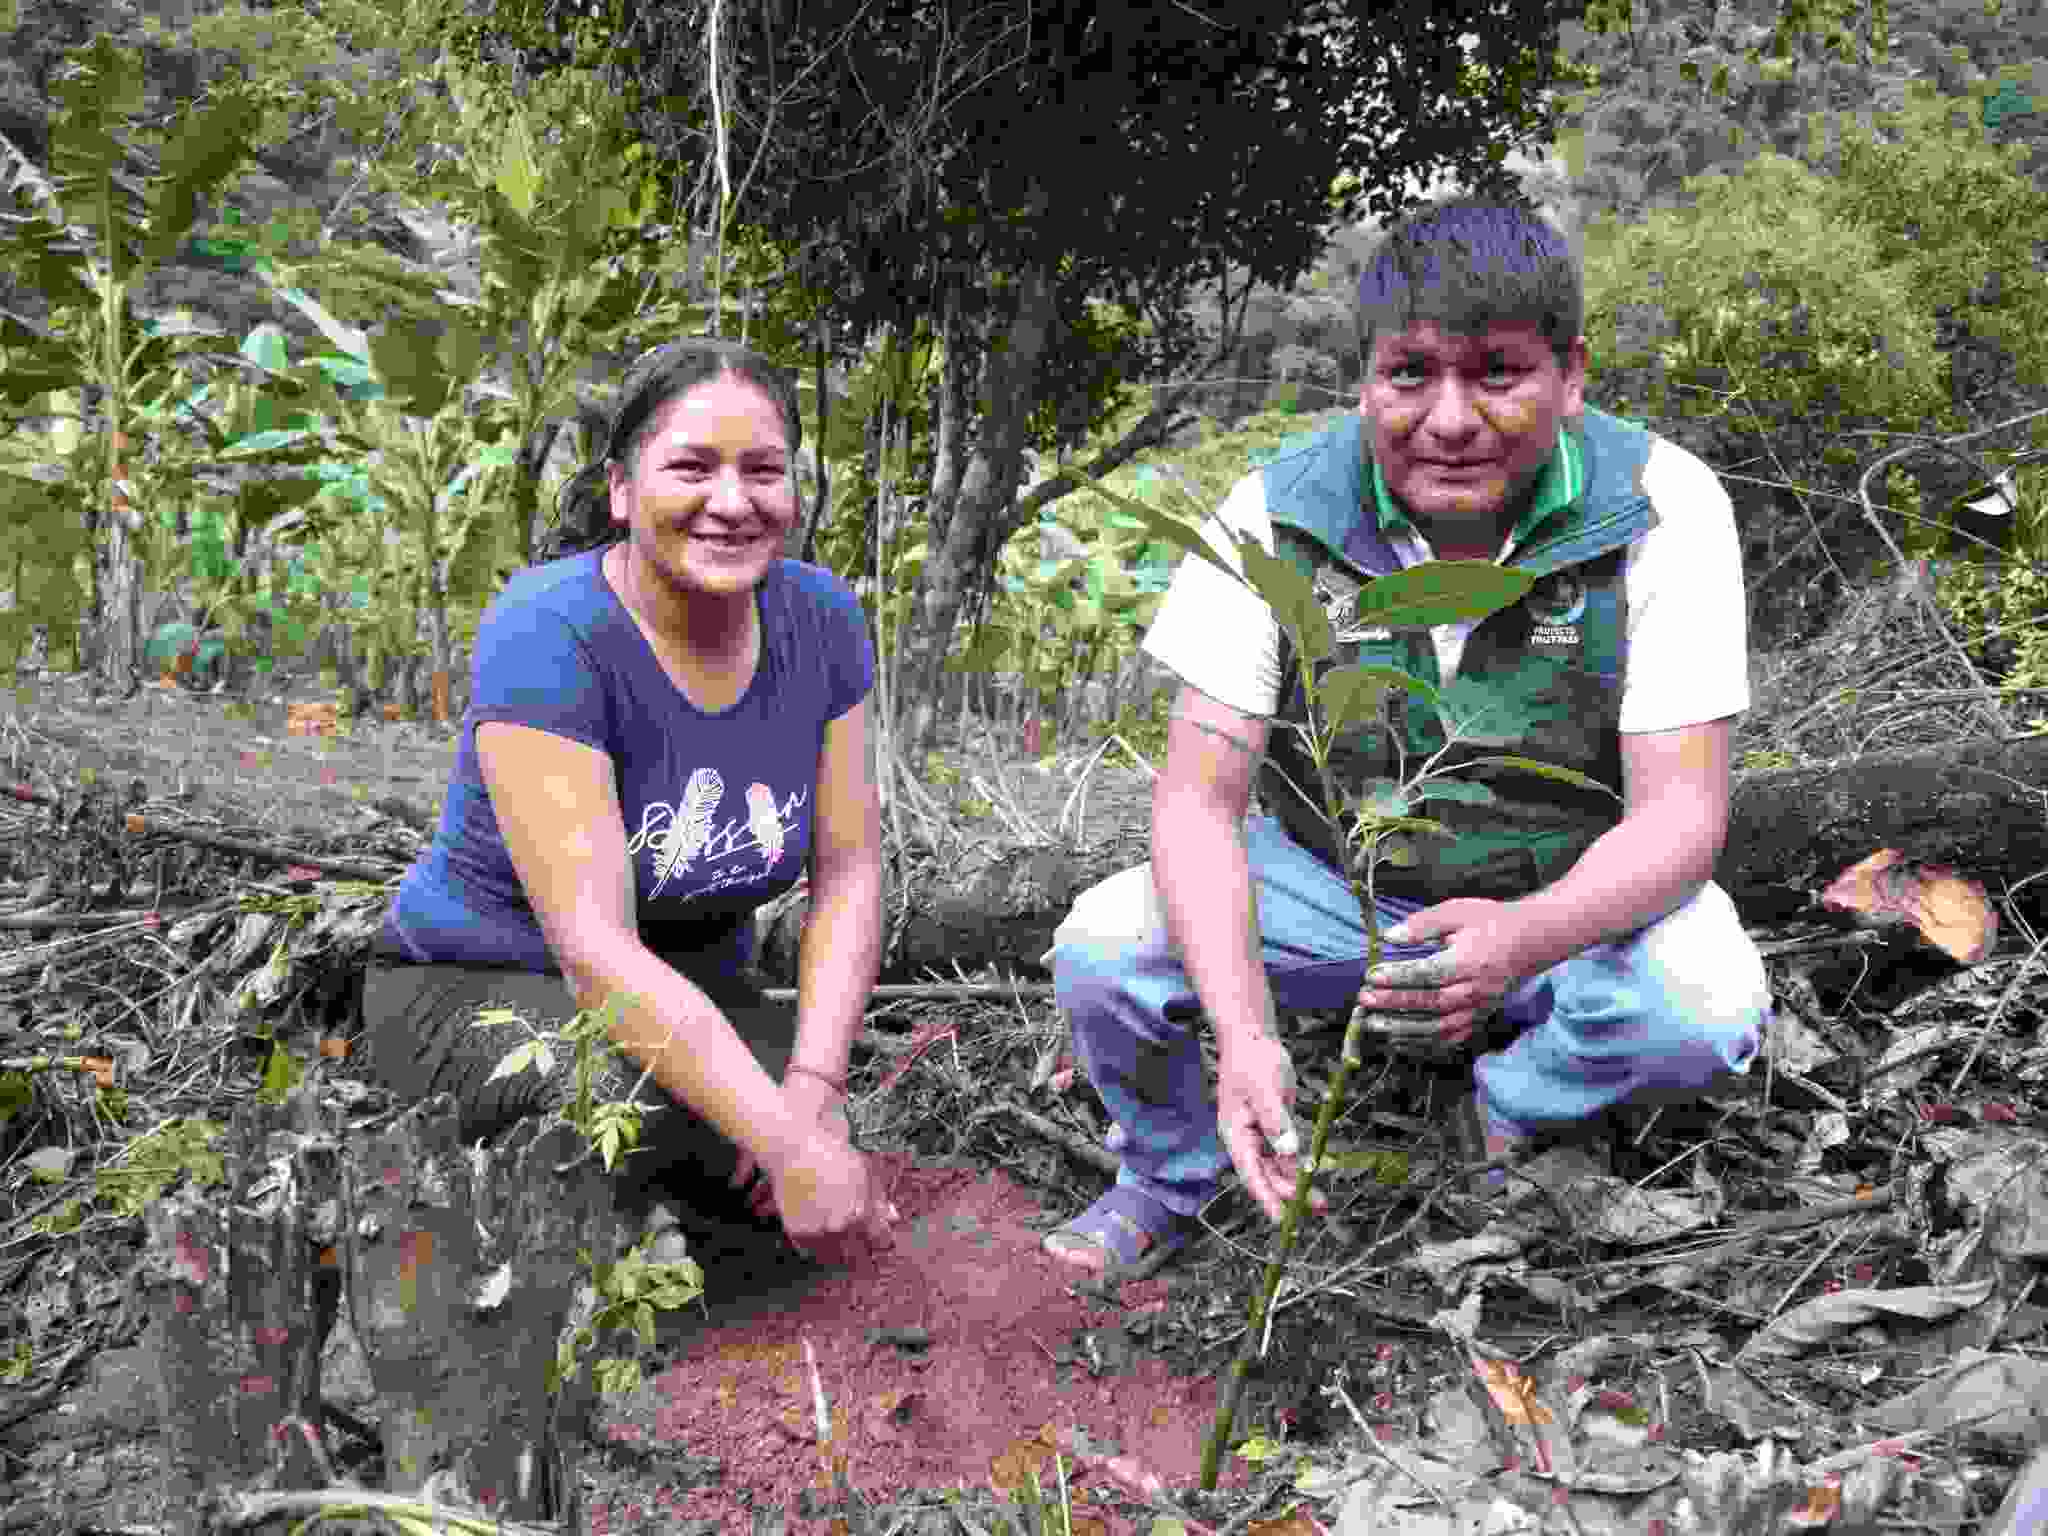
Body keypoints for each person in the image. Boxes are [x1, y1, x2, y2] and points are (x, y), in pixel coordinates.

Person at [1040, 196, 1770, 1275]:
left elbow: (1681, 814)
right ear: (1363, 380)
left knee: (1701, 1006)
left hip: (1554, 895)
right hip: (1328, 885)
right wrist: (1244, 1037)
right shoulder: (1272, 514)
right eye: (1409, 373)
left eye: (1496, 372)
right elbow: (1197, 803)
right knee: (1105, 948)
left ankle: (1509, 1108)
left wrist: (1520, 939)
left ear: (1569, 376)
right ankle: (1168, 1172)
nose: (1448, 418)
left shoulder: (1660, 508)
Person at [357, 336, 895, 1265]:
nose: (733, 502)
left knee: (788, 1099)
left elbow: (848, 870)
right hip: (485, 987)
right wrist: (781, 1139)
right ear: (619, 489)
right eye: (692, 467)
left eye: (764, 471)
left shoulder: (825, 620)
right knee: (638, 1107)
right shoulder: (549, 631)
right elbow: (595, 953)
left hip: (698, 990)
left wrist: (814, 1091)